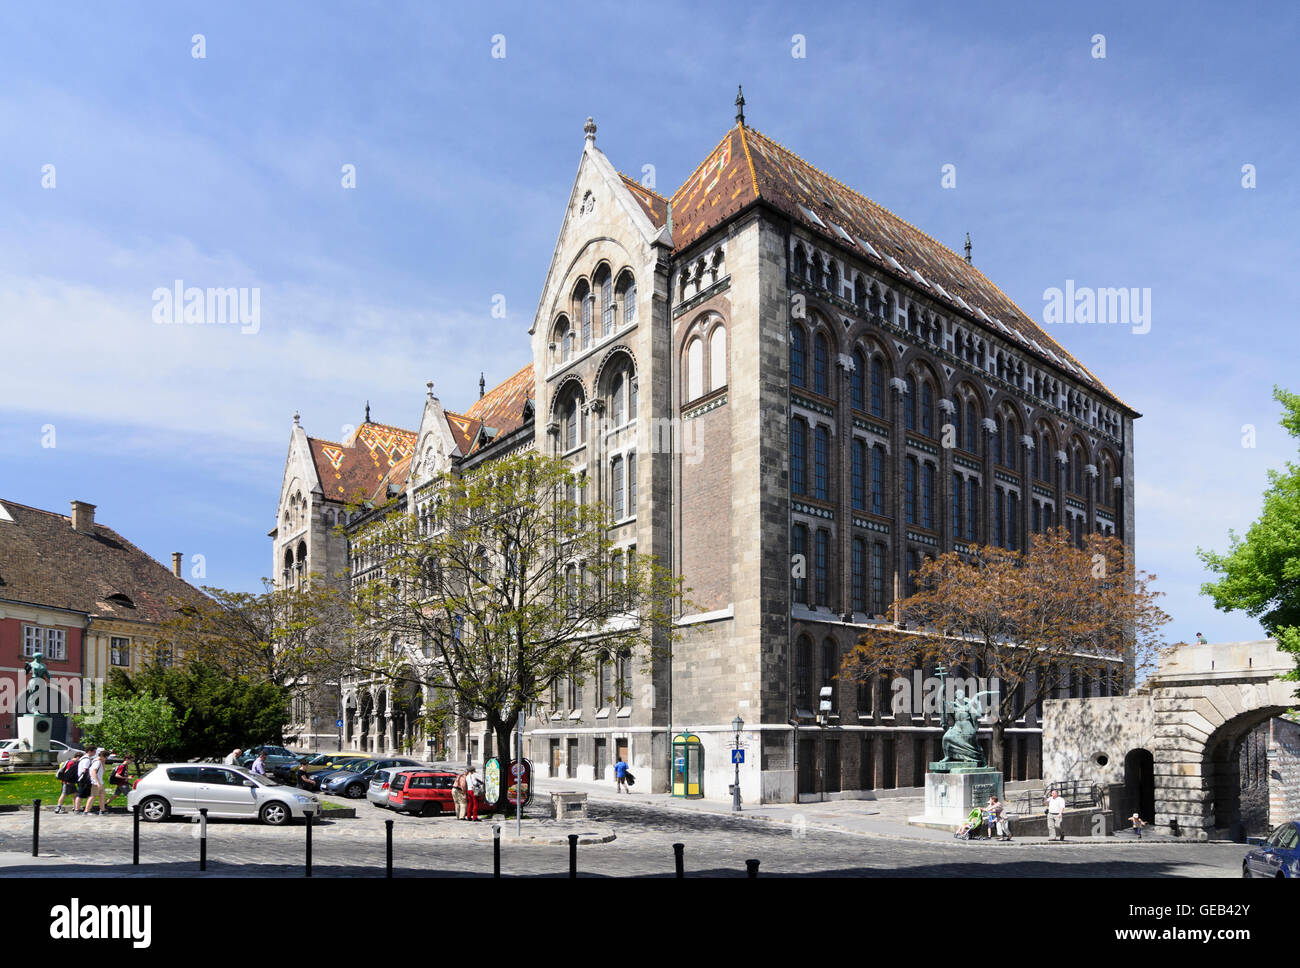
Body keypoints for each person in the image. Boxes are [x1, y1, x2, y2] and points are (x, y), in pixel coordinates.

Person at [83, 749, 108, 816]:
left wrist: (103, 762)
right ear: (102, 756)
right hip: (96, 782)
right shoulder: (97, 762)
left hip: (99, 782)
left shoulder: (99, 761)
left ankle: (102, 810)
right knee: (93, 796)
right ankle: (86, 811)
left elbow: (104, 770)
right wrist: (98, 783)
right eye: (106, 757)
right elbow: (93, 772)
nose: (106, 759)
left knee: (102, 795)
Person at [73, 748, 95, 815]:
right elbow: (85, 770)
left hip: (81, 779)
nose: (94, 753)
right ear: (89, 751)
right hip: (84, 780)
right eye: (94, 751)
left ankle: (83, 809)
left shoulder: (82, 758)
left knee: (83, 794)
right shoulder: (87, 760)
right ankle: (78, 809)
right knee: (81, 795)